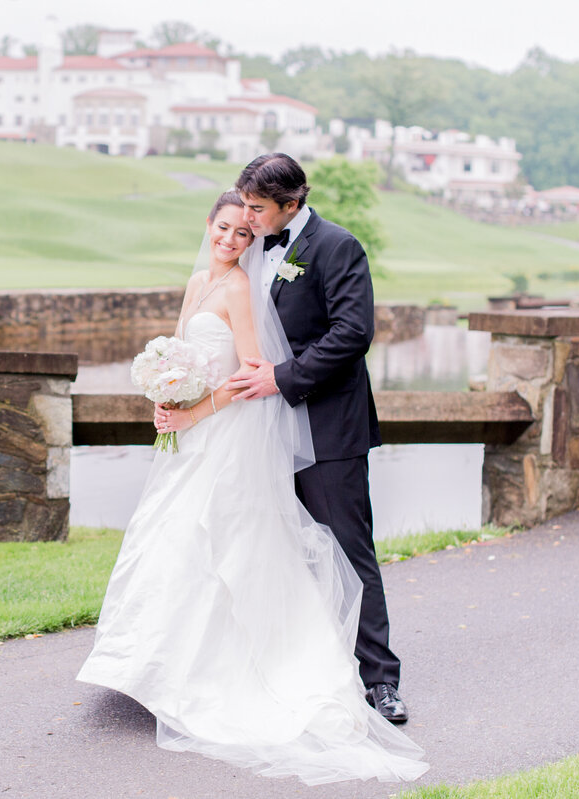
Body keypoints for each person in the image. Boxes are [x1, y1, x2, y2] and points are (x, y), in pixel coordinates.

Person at [76, 191, 428, 785]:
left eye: (245, 231)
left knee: (241, 543)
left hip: (233, 433)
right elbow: (186, 354)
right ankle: (164, 669)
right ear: (208, 225)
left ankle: (360, 678)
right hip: (192, 438)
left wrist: (193, 412)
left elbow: (249, 372)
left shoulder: (247, 284)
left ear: (274, 218)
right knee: (177, 542)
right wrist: (167, 395)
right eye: (226, 228)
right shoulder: (195, 283)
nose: (233, 239)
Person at [224, 153, 408, 724]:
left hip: (327, 428)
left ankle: (380, 680)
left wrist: (281, 378)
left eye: (258, 208)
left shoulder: (338, 246)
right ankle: (285, 673)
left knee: (350, 553)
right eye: (245, 206)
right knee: (269, 550)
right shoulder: (249, 246)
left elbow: (353, 333)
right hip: (259, 433)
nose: (248, 217)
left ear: (292, 204)